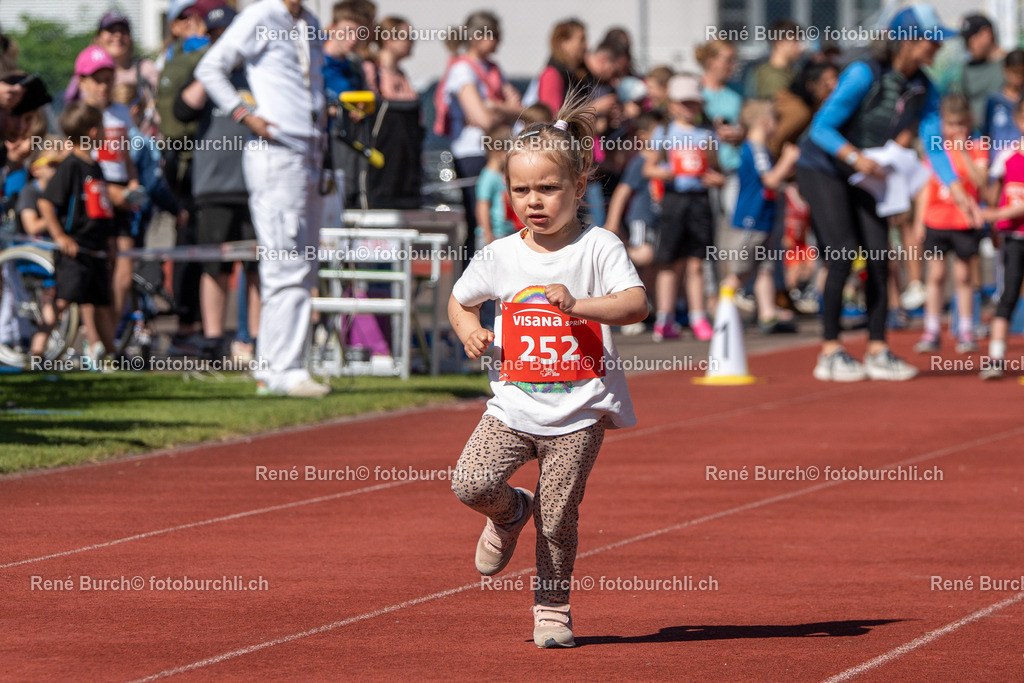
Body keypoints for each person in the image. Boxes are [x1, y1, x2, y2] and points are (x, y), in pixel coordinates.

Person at [448, 91, 647, 649]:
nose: (533, 201)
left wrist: (579, 305)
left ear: (579, 187)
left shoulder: (598, 246)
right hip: (513, 407)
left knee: (559, 518)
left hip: (578, 410)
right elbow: (460, 301)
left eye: (548, 188)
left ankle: (552, 610)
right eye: (521, 190)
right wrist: (470, 332)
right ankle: (510, 513)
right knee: (470, 483)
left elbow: (635, 304)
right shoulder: (500, 254)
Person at [796, 4, 978, 382]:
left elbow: (933, 141)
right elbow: (821, 127)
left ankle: (877, 347)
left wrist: (956, 187)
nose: (937, 48)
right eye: (932, 40)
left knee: (880, 255)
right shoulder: (864, 72)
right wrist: (854, 157)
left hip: (868, 172)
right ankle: (830, 350)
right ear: (909, 41)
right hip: (824, 167)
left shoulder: (923, 85)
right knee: (843, 253)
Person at [196, 0, 330, 398]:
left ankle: (278, 368)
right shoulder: (261, 15)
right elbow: (210, 68)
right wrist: (244, 113)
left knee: (301, 266)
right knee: (285, 264)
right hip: (277, 152)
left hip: (309, 152)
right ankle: (282, 370)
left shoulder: (308, 20)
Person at [175, 4, 259, 361]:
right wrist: (212, 69)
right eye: (214, 37)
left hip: (255, 183)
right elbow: (182, 110)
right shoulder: (205, 73)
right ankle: (213, 338)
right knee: (214, 265)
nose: (222, 42)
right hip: (213, 185)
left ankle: (254, 339)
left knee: (257, 265)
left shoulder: (256, 74)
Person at [435, 10, 521, 273]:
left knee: (500, 220)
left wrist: (495, 107)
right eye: (493, 35)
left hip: (496, 152)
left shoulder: (493, 69)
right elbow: (482, 118)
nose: (497, 41)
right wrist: (497, 109)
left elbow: (520, 108)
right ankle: (473, 286)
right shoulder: (462, 69)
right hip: (473, 155)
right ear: (477, 36)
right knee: (480, 223)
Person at [643, 74, 725, 342]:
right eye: (685, 103)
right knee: (669, 261)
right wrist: (666, 172)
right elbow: (649, 167)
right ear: (673, 104)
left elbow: (718, 171)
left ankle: (698, 315)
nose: (691, 108)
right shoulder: (664, 133)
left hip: (699, 200)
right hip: (674, 199)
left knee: (696, 262)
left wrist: (716, 179)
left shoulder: (707, 134)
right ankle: (665, 318)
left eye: (694, 103)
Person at [37, 102, 117, 364]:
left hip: (96, 249)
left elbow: (102, 211)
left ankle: (111, 357)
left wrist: (111, 242)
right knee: (62, 303)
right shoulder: (70, 166)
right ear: (94, 132)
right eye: (103, 127)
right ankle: (36, 353)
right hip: (75, 249)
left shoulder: (96, 167)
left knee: (102, 305)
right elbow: (46, 203)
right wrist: (61, 237)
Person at [911, 95, 987, 355]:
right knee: (935, 275)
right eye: (950, 125)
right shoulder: (934, 149)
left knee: (964, 277)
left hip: (964, 222)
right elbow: (925, 189)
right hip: (936, 220)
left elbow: (980, 182)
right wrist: (920, 222)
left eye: (961, 125)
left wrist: (964, 151)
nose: (956, 131)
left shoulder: (978, 147)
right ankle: (931, 329)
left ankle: (965, 328)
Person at [723, 100, 801, 333]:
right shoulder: (756, 148)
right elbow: (770, 180)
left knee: (765, 268)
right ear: (765, 122)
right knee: (741, 271)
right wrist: (788, 160)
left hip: (764, 219)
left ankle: (767, 313)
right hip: (752, 219)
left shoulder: (761, 149)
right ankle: (723, 311)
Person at [604, 111, 663, 334]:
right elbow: (622, 191)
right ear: (644, 136)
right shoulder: (640, 161)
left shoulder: (661, 160)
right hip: (641, 217)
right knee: (644, 255)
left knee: (653, 262)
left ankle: (647, 307)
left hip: (656, 219)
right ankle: (615, 259)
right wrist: (612, 222)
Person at [979, 97, 1024, 379]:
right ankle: (995, 358)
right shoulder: (1007, 156)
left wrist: (992, 215)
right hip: (1013, 239)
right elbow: (992, 194)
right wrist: (991, 223)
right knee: (1007, 294)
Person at [361, 15, 422, 209]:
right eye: (406, 36)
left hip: (407, 169)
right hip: (382, 169)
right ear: (388, 39)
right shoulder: (372, 71)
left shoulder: (403, 75)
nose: (412, 42)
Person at [955, 13, 1005, 130]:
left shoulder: (1013, 65)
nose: (967, 47)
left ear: (986, 33)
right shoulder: (967, 70)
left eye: (969, 41)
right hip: (976, 140)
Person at [529, 19, 587, 113]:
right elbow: (551, 117)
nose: (586, 45)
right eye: (581, 40)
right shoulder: (552, 74)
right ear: (563, 43)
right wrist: (595, 108)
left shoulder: (579, 72)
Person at [475, 123, 515, 247]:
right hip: (493, 235)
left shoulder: (501, 175)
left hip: (505, 232)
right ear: (497, 150)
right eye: (509, 149)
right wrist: (488, 235)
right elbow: (482, 206)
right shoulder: (488, 176)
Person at [744, 19, 803, 100]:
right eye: (795, 41)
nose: (800, 48)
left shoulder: (793, 72)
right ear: (779, 42)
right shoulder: (768, 75)